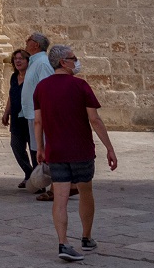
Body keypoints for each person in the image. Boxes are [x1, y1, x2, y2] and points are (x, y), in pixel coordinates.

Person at [33, 44, 118, 263]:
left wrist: (40, 148)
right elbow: (95, 119)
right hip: (81, 150)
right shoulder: (80, 86)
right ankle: (86, 237)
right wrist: (109, 147)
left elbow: (39, 121)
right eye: (73, 58)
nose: (76, 61)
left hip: (56, 151)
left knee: (59, 198)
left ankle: (63, 242)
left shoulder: (41, 88)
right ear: (63, 62)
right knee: (85, 192)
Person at [20, 31, 54, 198]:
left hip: (40, 115)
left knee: (46, 150)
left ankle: (55, 188)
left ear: (36, 45)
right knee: (38, 150)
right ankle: (43, 184)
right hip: (32, 114)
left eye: (29, 40)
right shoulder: (35, 62)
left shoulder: (42, 63)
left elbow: (47, 89)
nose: (26, 42)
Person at [3, 48, 35, 186]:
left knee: (34, 149)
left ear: (28, 61)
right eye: (15, 59)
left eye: (21, 58)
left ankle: (37, 179)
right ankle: (29, 173)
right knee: (16, 146)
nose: (18, 61)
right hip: (16, 118)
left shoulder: (33, 77)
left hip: (30, 118)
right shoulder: (13, 77)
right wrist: (6, 113)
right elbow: (11, 96)